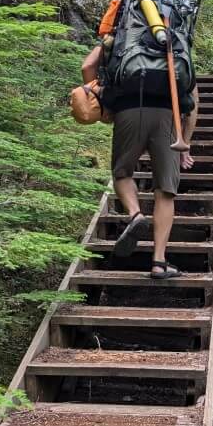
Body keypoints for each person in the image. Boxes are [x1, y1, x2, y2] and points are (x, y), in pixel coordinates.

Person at [82, 44, 198, 279]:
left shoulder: (123, 37)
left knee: (122, 174)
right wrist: (185, 142)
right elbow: (193, 100)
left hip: (128, 111)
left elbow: (87, 66)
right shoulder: (174, 43)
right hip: (166, 114)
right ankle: (158, 262)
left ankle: (135, 215)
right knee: (165, 190)